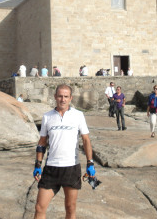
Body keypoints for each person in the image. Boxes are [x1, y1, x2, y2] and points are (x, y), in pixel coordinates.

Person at [33, 84, 96, 219]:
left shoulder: (78, 115)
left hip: (71, 168)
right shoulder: (47, 117)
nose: (63, 99)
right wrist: (38, 165)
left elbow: (86, 140)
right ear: (55, 97)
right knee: (39, 207)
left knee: (70, 208)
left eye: (66, 96)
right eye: (60, 96)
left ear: (70, 98)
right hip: (51, 168)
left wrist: (90, 163)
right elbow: (42, 142)